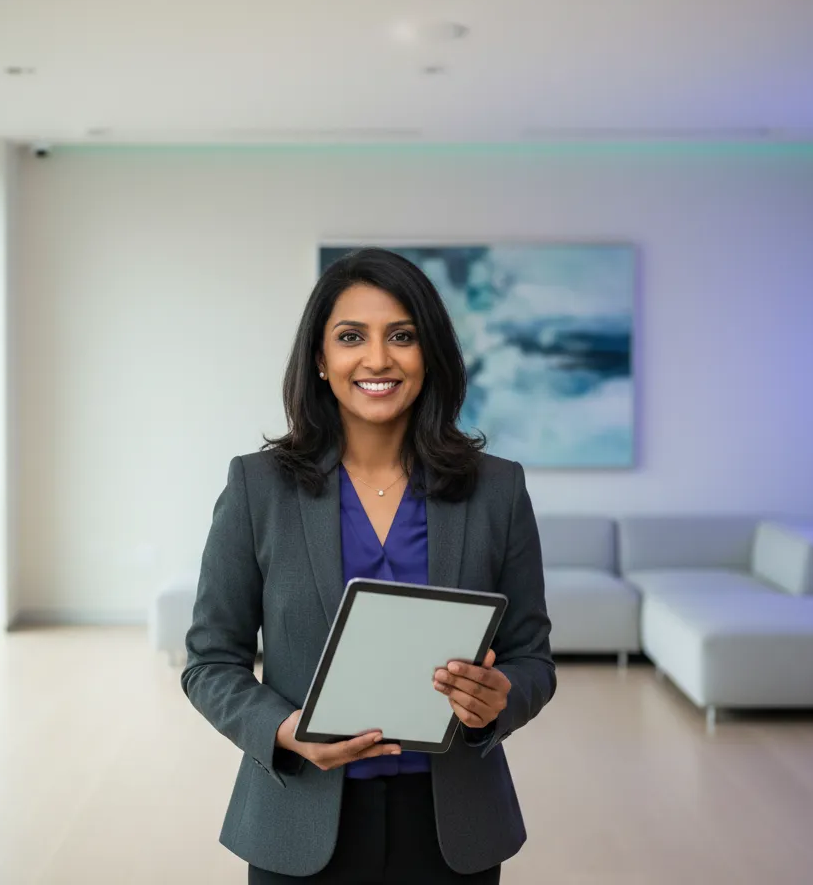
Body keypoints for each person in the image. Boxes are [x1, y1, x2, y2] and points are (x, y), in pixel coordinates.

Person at [181, 247, 556, 883]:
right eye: (351, 336)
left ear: (430, 356)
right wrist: (283, 729)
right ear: (320, 361)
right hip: (298, 820)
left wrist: (501, 699)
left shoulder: (498, 491)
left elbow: (532, 660)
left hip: (452, 828)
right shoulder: (257, 487)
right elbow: (210, 662)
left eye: (402, 337)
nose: (377, 359)